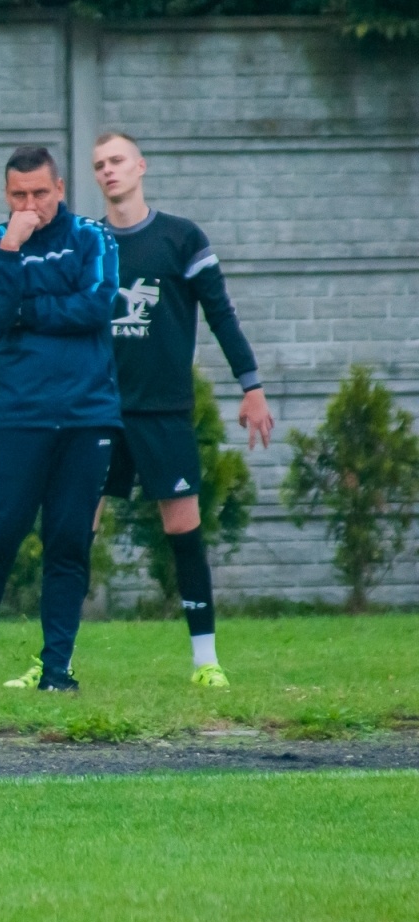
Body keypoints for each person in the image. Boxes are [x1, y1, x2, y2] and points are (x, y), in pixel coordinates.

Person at [84, 130, 272, 687]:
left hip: (163, 411)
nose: (109, 171)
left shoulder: (182, 238)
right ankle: (54, 658)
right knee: (76, 530)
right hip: (97, 411)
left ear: (140, 166)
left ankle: (205, 661)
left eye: (117, 160)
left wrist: (252, 386)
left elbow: (220, 314)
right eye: (100, 165)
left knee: (184, 529)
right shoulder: (89, 243)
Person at [0, 146, 121, 694]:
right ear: (6, 195)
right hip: (17, 416)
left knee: (68, 543)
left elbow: (96, 306)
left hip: (87, 415)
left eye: (40, 193)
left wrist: (29, 311)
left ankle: (57, 671)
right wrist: (13, 247)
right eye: (19, 195)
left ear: (60, 188)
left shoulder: (95, 239)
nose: (31, 204)